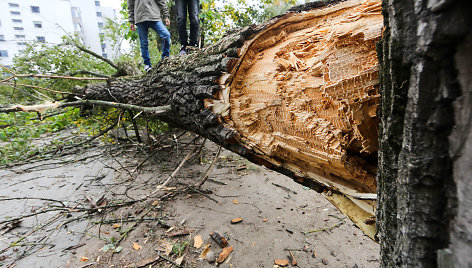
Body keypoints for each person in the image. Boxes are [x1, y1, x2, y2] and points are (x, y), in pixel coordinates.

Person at [128, 0, 171, 72]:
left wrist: (166, 16)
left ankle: (165, 59)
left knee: (166, 35)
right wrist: (131, 21)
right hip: (140, 17)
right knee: (144, 43)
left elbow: (161, 1)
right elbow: (130, 5)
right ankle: (147, 64)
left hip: (153, 15)